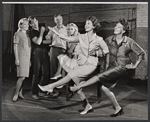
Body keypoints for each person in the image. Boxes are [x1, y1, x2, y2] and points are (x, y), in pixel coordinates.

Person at [69, 18, 146, 117]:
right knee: (104, 88)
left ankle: (79, 86)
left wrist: (135, 65)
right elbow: (102, 51)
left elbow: (141, 53)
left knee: (100, 76)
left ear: (123, 31)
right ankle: (118, 108)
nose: (115, 28)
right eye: (116, 26)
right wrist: (93, 51)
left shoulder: (129, 41)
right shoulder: (109, 40)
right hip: (112, 66)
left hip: (122, 67)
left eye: (118, 27)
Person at [38, 16, 109, 114]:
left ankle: (51, 86)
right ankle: (87, 105)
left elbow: (106, 50)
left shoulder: (99, 39)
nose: (86, 25)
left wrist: (96, 53)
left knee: (71, 74)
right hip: (81, 63)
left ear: (93, 26)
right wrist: (58, 33)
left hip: (91, 64)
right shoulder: (81, 37)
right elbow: (68, 39)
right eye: (85, 23)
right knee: (77, 87)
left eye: (88, 23)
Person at [44, 14, 68, 97]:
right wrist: (46, 35)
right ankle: (51, 89)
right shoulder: (53, 29)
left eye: (60, 19)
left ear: (62, 19)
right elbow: (48, 38)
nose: (59, 21)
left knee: (60, 71)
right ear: (55, 21)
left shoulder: (66, 29)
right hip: (53, 49)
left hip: (62, 50)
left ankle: (57, 90)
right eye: (57, 20)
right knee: (53, 70)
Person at [28, 16, 50, 99]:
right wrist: (41, 34)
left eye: (34, 22)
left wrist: (40, 41)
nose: (34, 24)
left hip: (45, 52)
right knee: (36, 73)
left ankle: (41, 90)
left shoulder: (43, 29)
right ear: (30, 25)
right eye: (31, 23)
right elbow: (37, 42)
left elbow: (49, 41)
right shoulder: (31, 32)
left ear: (37, 21)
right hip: (36, 52)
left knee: (46, 73)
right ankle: (34, 92)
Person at [13, 18, 31, 102]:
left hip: (27, 58)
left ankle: (20, 92)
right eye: (24, 24)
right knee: (21, 77)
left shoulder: (27, 35)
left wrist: (29, 59)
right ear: (20, 25)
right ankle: (16, 94)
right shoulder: (17, 34)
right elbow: (15, 46)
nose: (26, 26)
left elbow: (29, 48)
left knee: (24, 77)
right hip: (21, 57)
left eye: (27, 24)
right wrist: (17, 59)